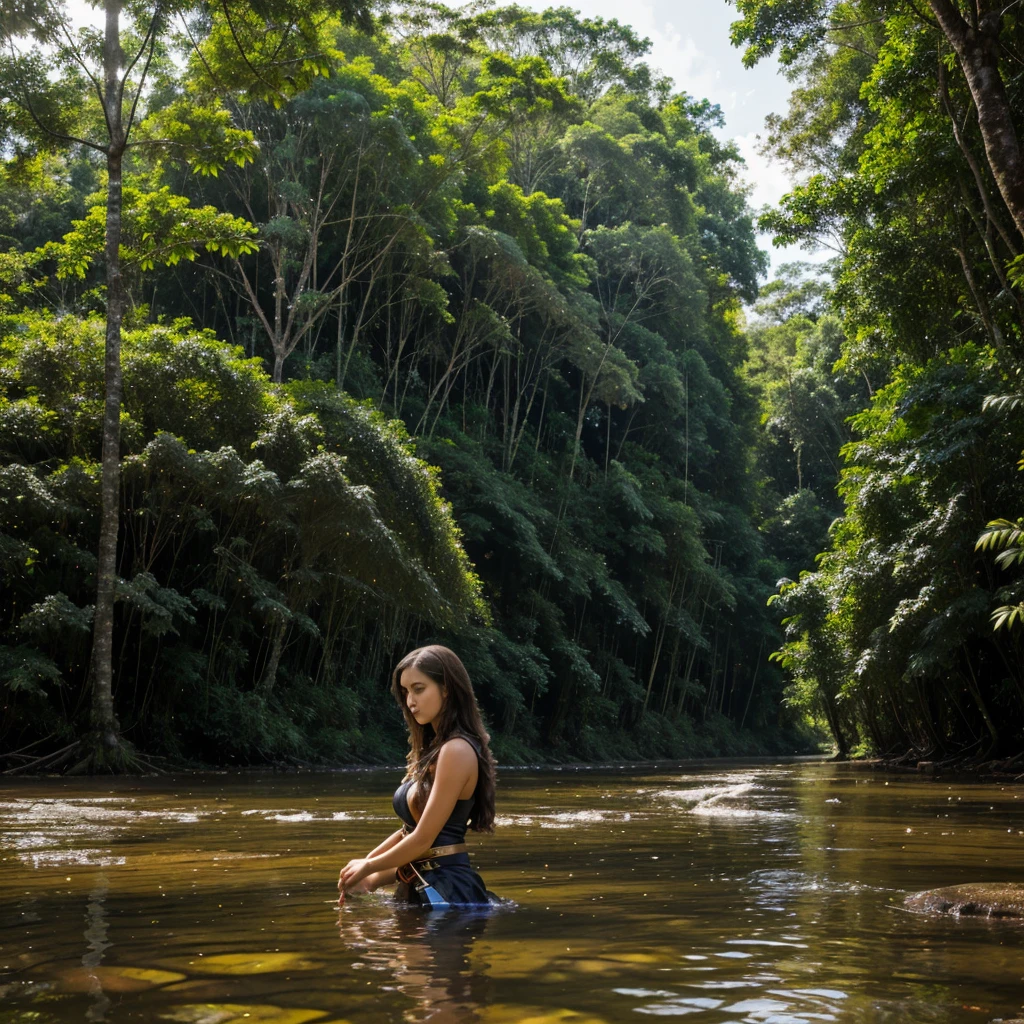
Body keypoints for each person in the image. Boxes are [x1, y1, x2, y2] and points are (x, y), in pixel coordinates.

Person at [338, 645, 497, 908]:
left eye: (418, 689)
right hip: (423, 884)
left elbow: (424, 838)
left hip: (448, 891)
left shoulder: (456, 750)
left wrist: (368, 866)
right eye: (405, 692)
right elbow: (408, 832)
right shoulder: (433, 750)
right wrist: (366, 873)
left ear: (446, 688)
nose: (410, 700)